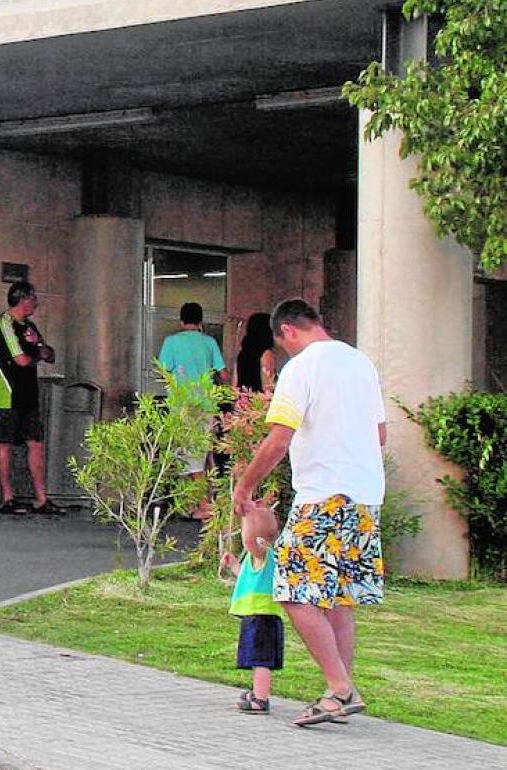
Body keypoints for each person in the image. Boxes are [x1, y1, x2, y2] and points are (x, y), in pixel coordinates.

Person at [232, 298, 386, 728]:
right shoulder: (361, 364)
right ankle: (340, 692)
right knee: (336, 597)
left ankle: (340, 688)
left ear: (287, 332)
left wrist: (245, 486)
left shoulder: (300, 369)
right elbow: (380, 434)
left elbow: (280, 438)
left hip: (322, 494)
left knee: (292, 590)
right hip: (365, 495)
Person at [0, 281, 60, 515]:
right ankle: (7, 497)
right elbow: (21, 359)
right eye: (34, 297)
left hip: (27, 393)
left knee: (36, 442)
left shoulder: (30, 326)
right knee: (3, 442)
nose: (36, 302)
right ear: (23, 299)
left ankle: (41, 498)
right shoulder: (4, 324)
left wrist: (39, 349)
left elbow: (49, 353)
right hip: (3, 392)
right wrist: (38, 353)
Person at [159, 302, 228, 517]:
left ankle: (203, 506)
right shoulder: (209, 342)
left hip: (182, 405)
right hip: (206, 405)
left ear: (181, 321)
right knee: (202, 456)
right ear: (201, 321)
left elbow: (162, 370)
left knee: (187, 458)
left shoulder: (171, 342)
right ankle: (196, 504)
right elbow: (223, 374)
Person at [223, 503, 285, 714]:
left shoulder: (262, 552)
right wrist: (233, 566)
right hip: (260, 615)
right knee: (257, 658)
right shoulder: (260, 558)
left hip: (261, 615)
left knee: (260, 660)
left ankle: (260, 699)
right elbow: (249, 577)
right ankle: (257, 692)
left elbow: (249, 541)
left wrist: (245, 516)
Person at [233, 312, 277, 394]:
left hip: (243, 401)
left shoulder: (242, 353)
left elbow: (234, 384)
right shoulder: (266, 353)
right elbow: (268, 386)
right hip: (258, 402)